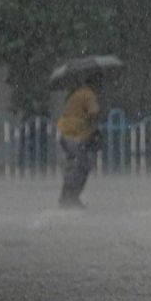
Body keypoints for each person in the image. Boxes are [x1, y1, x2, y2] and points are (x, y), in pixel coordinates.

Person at [57, 74, 103, 208]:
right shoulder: (88, 94)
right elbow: (94, 113)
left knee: (74, 165)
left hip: (65, 133)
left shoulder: (75, 94)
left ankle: (66, 196)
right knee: (81, 166)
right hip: (75, 135)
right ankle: (71, 196)